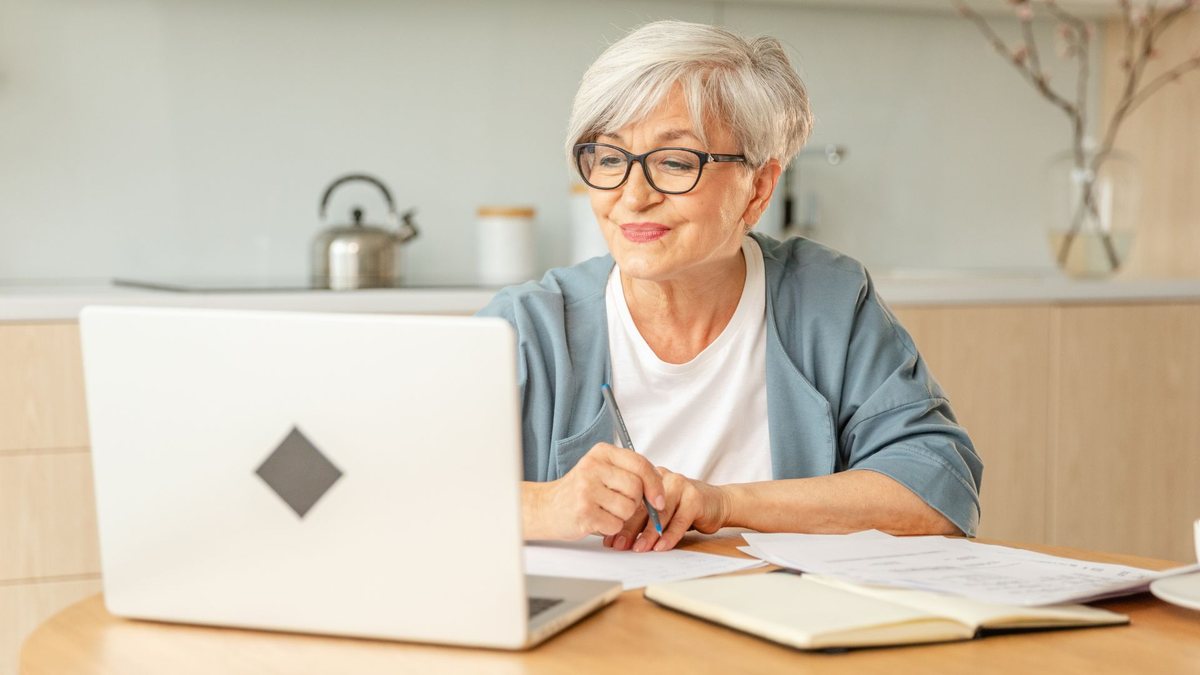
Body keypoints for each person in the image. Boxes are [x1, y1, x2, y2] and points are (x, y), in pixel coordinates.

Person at [477, 20, 982, 553]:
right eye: (609, 158)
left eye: (675, 161)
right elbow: (396, 492)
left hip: (781, 623)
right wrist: (546, 505)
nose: (633, 195)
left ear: (758, 189)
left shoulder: (827, 301)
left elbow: (938, 492)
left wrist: (720, 504)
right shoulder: (525, 329)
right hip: (594, 633)